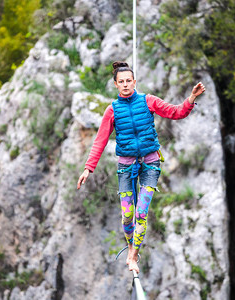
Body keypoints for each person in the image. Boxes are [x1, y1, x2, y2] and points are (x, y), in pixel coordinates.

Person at [77, 61, 206, 273]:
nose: (126, 85)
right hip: (126, 167)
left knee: (141, 213)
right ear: (116, 85)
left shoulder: (148, 101)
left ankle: (134, 255)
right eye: (121, 82)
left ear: (134, 82)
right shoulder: (112, 110)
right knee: (127, 216)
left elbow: (176, 112)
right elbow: (100, 140)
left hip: (150, 164)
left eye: (129, 81)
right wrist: (88, 169)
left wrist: (191, 98)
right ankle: (130, 245)